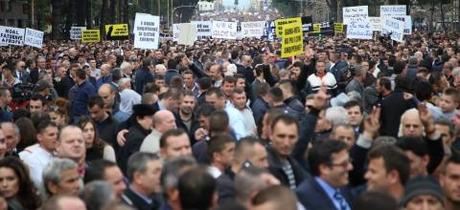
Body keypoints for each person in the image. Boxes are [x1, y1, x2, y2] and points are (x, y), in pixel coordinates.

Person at [296, 140, 353, 210]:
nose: (350, 167)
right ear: (324, 168)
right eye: (344, 164)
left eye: (349, 161)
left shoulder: (342, 186)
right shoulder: (304, 198)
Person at [267, 114, 308, 189]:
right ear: (271, 135)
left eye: (292, 137)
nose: (286, 143)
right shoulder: (264, 165)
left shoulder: (293, 163)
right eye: (281, 136)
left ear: (298, 138)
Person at [19, 120, 58, 187]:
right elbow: (41, 184)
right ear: (39, 137)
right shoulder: (32, 159)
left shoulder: (60, 154)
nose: (56, 137)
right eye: (51, 135)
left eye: (57, 134)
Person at [118, 104, 155, 173]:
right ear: (139, 118)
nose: (153, 121)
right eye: (150, 117)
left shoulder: (134, 131)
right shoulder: (138, 138)